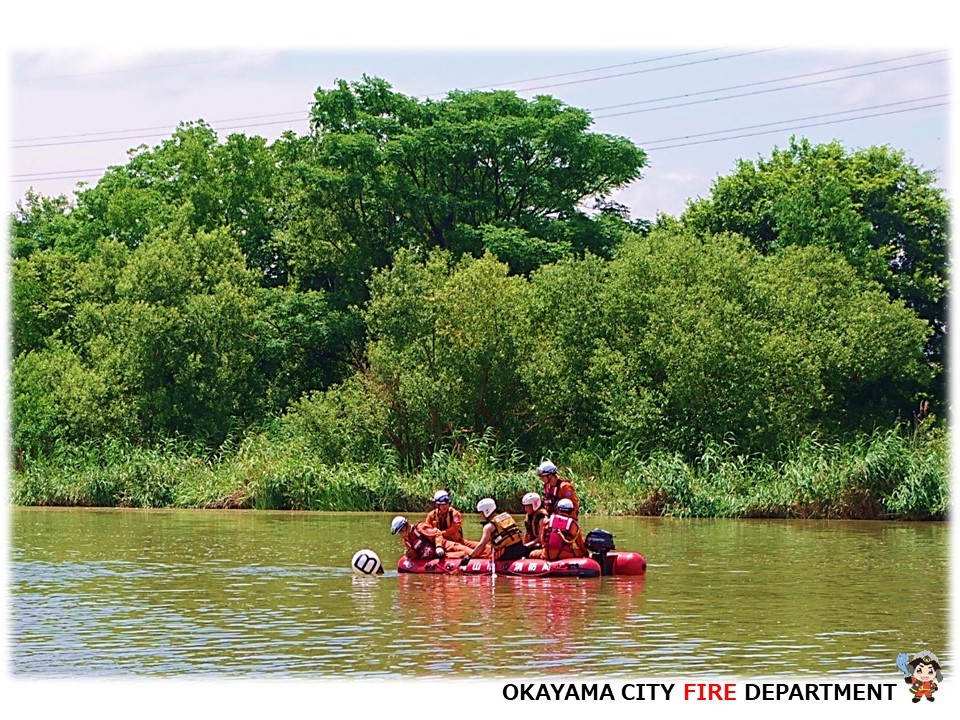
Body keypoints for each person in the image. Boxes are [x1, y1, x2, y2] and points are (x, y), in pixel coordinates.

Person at [464, 498, 530, 563]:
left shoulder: (488, 527)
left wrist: (469, 557)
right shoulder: (507, 516)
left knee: (489, 556)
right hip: (520, 548)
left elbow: (482, 545)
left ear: (486, 511)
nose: (480, 515)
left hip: (507, 553)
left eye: (481, 512)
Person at [390, 515, 471, 560]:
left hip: (446, 546)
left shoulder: (420, 528)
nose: (401, 534)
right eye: (399, 532)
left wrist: (439, 547)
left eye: (401, 530)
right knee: (462, 555)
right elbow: (417, 554)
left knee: (471, 553)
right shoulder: (406, 541)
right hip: (437, 558)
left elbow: (437, 534)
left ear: (406, 525)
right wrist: (410, 554)